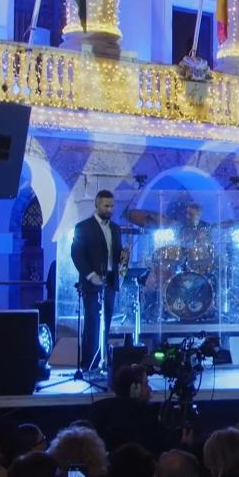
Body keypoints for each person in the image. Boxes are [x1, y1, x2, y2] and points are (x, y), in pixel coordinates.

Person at [71, 189, 125, 370]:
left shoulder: (115, 229)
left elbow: (116, 254)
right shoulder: (83, 227)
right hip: (92, 281)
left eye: (112, 206)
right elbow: (77, 254)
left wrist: (123, 257)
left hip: (110, 280)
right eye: (106, 206)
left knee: (106, 321)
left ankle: (104, 360)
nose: (110, 209)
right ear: (97, 204)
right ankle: (89, 364)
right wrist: (90, 275)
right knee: (92, 321)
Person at [88, 364, 164, 453]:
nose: (149, 389)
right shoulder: (146, 416)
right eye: (146, 384)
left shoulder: (99, 409)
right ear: (135, 389)